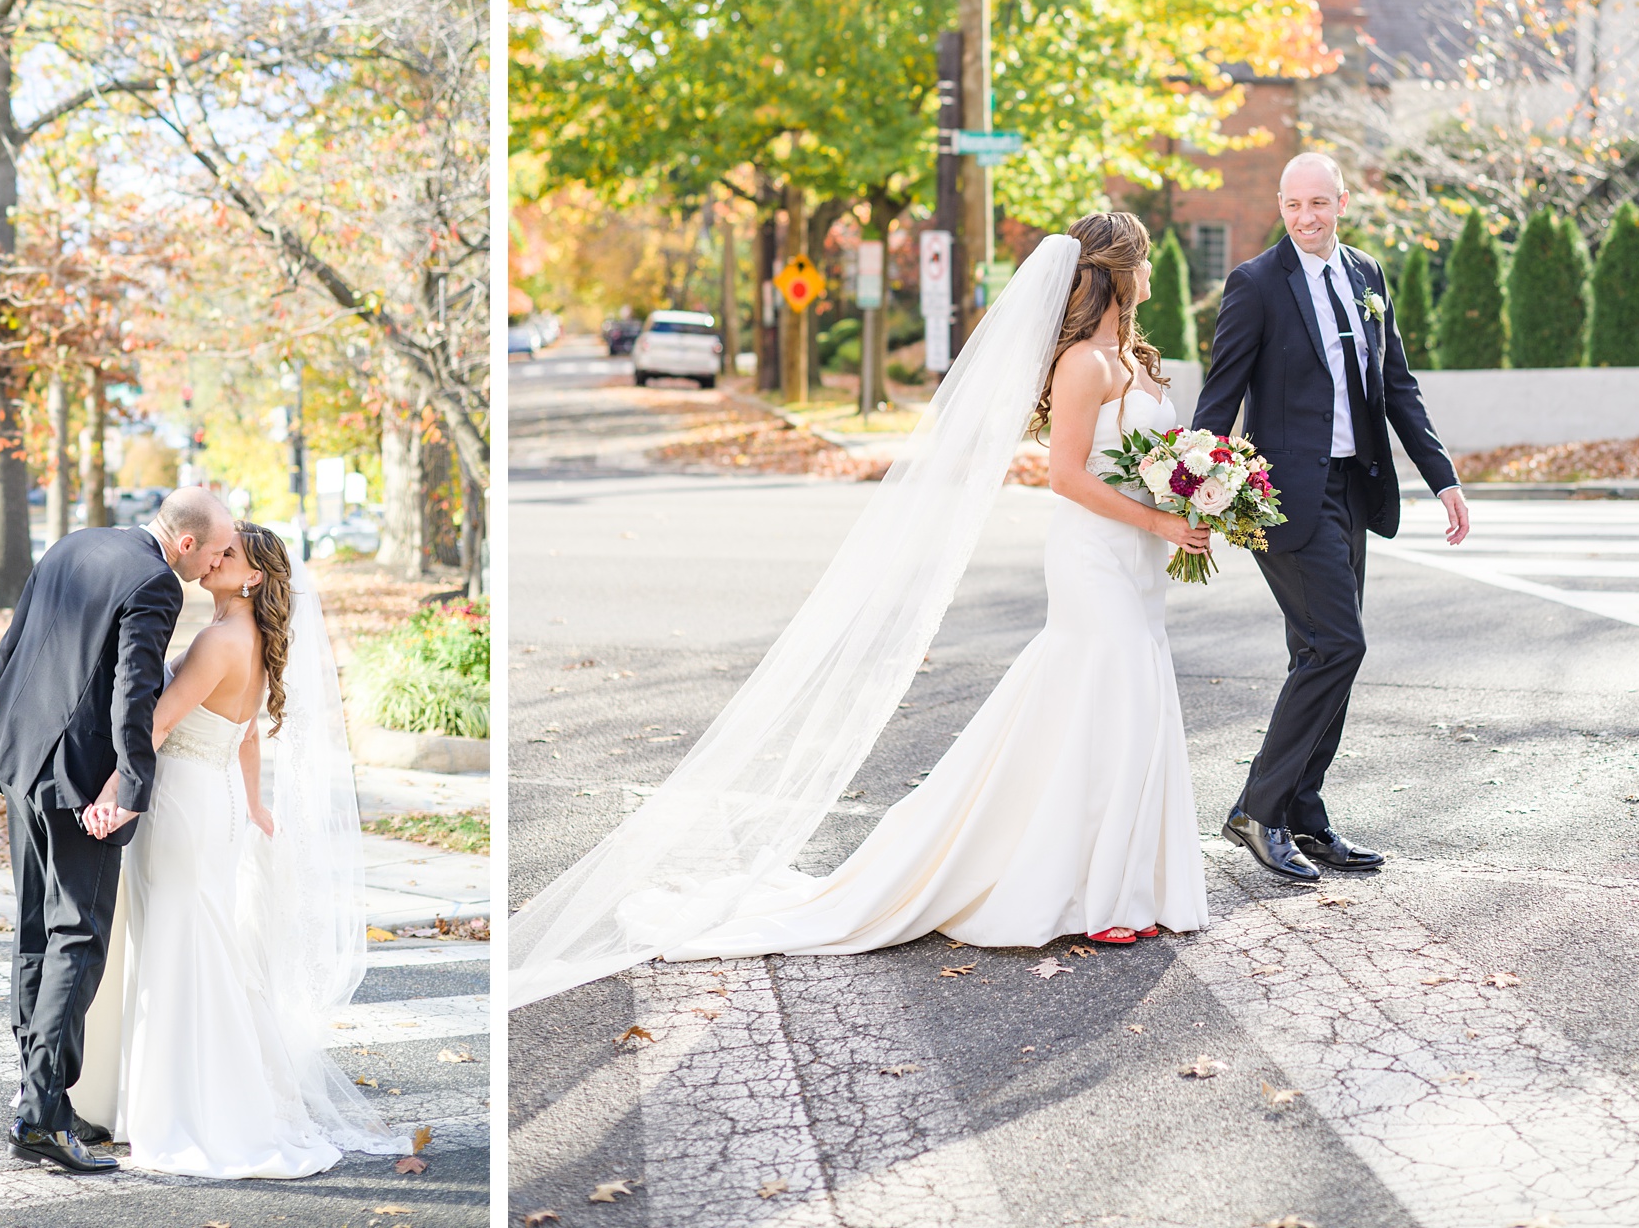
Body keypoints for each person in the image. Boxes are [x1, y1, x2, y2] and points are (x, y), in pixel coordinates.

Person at [509, 214, 1214, 1009]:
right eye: (1146, 261)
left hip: (1140, 559)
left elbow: (1152, 458)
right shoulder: (1085, 363)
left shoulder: (1134, 359)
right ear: (1123, 272)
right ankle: (1095, 890)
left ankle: (1132, 882)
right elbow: (1064, 476)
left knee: (1125, 696)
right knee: (1101, 694)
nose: (1152, 274)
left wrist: (1199, 492)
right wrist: (1158, 519)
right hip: (1095, 557)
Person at [71, 522, 405, 1177]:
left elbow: (159, 724)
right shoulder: (252, 640)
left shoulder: (219, 640)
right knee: (201, 939)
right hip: (219, 796)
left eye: (230, 556)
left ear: (253, 577)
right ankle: (191, 1094)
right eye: (217, 550)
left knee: (177, 944)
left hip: (184, 804)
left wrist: (113, 794)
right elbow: (247, 737)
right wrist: (253, 805)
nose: (216, 559)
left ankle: (183, 1107)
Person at [1194, 152, 1469, 884]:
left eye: (1320, 203)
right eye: (1294, 205)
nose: (1307, 217)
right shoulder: (1255, 284)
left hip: (1353, 488)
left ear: (1342, 202)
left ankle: (1303, 816)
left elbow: (1397, 385)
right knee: (1337, 646)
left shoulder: (1367, 275)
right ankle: (1258, 809)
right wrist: (1197, 493)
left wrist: (1442, 478)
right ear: (1280, 207)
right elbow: (1218, 400)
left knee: (1318, 656)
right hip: (1282, 498)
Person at [0, 485, 237, 1175]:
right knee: (78, 936)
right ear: (184, 544)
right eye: (216, 552)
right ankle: (37, 1115)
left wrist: (29, 733)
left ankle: (44, 1102)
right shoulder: (154, 581)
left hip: (17, 756)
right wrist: (131, 787)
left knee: (35, 931)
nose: (215, 564)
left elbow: (11, 646)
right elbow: (133, 691)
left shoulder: (76, 543)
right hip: (80, 780)